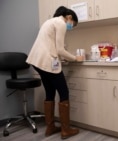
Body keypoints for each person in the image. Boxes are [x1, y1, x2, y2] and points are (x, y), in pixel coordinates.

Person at [26, 6, 83, 139]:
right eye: (72, 25)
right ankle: (65, 130)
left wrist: (62, 57)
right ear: (69, 17)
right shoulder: (61, 23)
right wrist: (75, 58)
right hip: (47, 62)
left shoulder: (49, 21)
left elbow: (51, 46)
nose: (71, 27)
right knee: (64, 93)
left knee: (50, 92)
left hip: (38, 62)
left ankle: (50, 127)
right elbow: (60, 50)